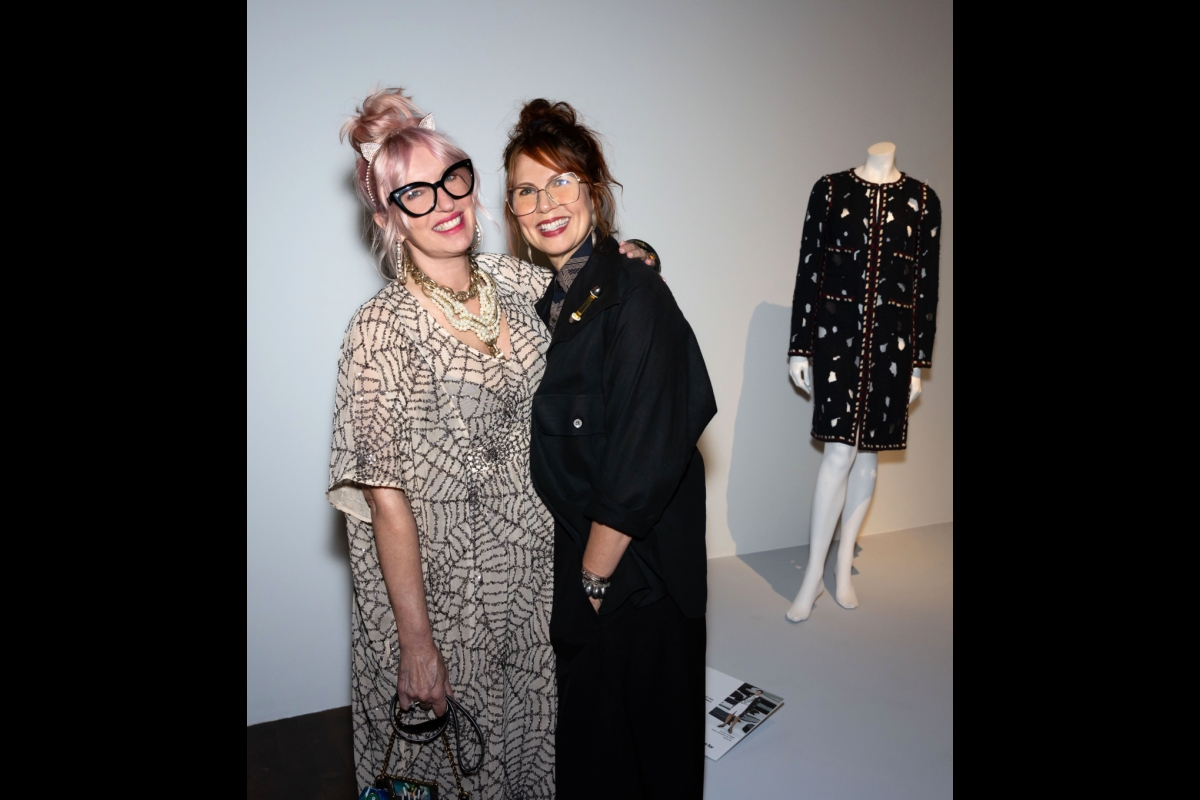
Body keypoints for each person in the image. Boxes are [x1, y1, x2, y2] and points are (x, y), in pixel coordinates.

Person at [327, 88, 653, 799]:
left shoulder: (522, 283)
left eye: (455, 178)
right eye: (414, 193)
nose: (444, 202)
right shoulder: (377, 330)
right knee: (451, 773)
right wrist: (417, 647)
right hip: (441, 604)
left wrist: (631, 261)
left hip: (536, 586)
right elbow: (386, 504)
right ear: (387, 216)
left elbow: (604, 310)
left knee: (534, 756)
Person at [504, 99, 717, 799]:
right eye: (526, 191)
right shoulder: (559, 302)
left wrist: (592, 586)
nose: (545, 203)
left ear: (595, 189)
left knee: (644, 762)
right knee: (599, 759)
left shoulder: (636, 295)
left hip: (637, 581)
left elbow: (644, 454)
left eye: (561, 181)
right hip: (594, 568)